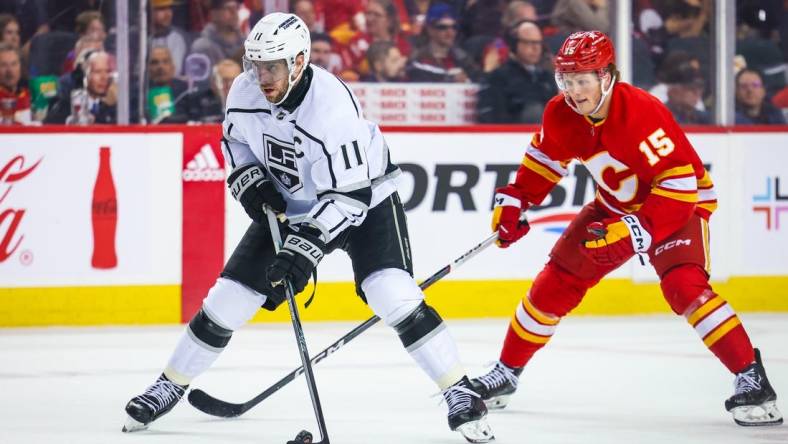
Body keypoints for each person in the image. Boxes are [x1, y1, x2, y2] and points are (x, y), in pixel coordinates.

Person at [123, 13, 493, 443]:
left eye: (273, 67)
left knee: (391, 292)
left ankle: (459, 390)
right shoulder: (244, 91)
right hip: (291, 204)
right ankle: (170, 383)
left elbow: (349, 198)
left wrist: (304, 250)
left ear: (299, 62)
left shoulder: (331, 109)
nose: (262, 77)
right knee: (228, 299)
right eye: (255, 65)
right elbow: (235, 141)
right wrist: (251, 182)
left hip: (364, 199)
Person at [470, 31, 783, 427]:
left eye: (583, 79)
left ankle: (751, 377)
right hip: (614, 206)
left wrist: (637, 229)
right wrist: (516, 199)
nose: (574, 90)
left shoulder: (642, 111)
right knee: (557, 280)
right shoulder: (560, 112)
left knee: (682, 286)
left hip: (678, 205)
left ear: (607, 76)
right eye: (566, 79)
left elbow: (680, 184)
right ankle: (506, 372)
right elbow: (545, 161)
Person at [476, 20, 556, 123]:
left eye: (538, 43)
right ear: (514, 44)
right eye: (529, 42)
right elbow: (493, 119)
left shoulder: (547, 78)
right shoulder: (498, 78)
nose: (535, 48)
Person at [45, 50, 116, 124]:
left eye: (108, 71)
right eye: (97, 71)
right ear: (84, 75)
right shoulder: (64, 109)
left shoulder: (116, 111)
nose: (104, 77)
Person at [0, 43, 31, 125]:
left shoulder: (29, 95)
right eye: (3, 65)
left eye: (14, 64)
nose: (9, 70)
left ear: (20, 67)